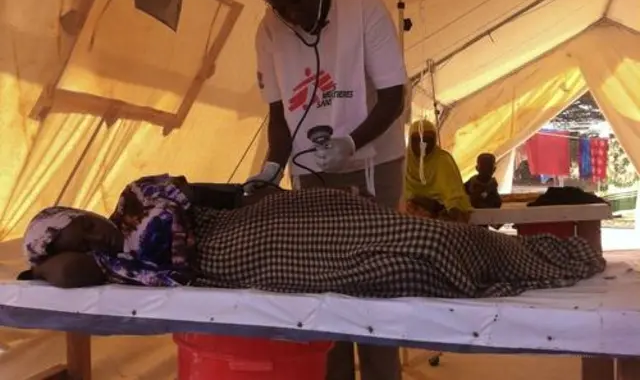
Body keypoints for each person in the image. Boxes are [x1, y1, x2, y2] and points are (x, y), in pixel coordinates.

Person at [23, 175, 605, 298]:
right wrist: (47, 261)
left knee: (398, 227)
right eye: (72, 238)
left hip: (258, 220)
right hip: (243, 259)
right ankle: (516, 260)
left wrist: (258, 192)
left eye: (74, 221)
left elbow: (205, 191)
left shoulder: (135, 196)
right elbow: (68, 273)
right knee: (422, 257)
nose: (87, 231)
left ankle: (536, 253)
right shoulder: (114, 263)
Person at [245, 0, 408, 380]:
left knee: (373, 290)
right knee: (324, 296)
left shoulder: (362, 6)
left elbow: (394, 95)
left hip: (374, 162)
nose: (292, 14)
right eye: (280, 7)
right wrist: (271, 169)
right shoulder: (268, 30)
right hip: (310, 174)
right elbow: (279, 114)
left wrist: (352, 143)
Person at [405, 119, 472, 222]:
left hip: (440, 219)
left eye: (427, 140)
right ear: (410, 140)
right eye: (417, 139)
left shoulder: (444, 161)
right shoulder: (402, 162)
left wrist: (446, 209)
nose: (423, 144)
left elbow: (456, 198)